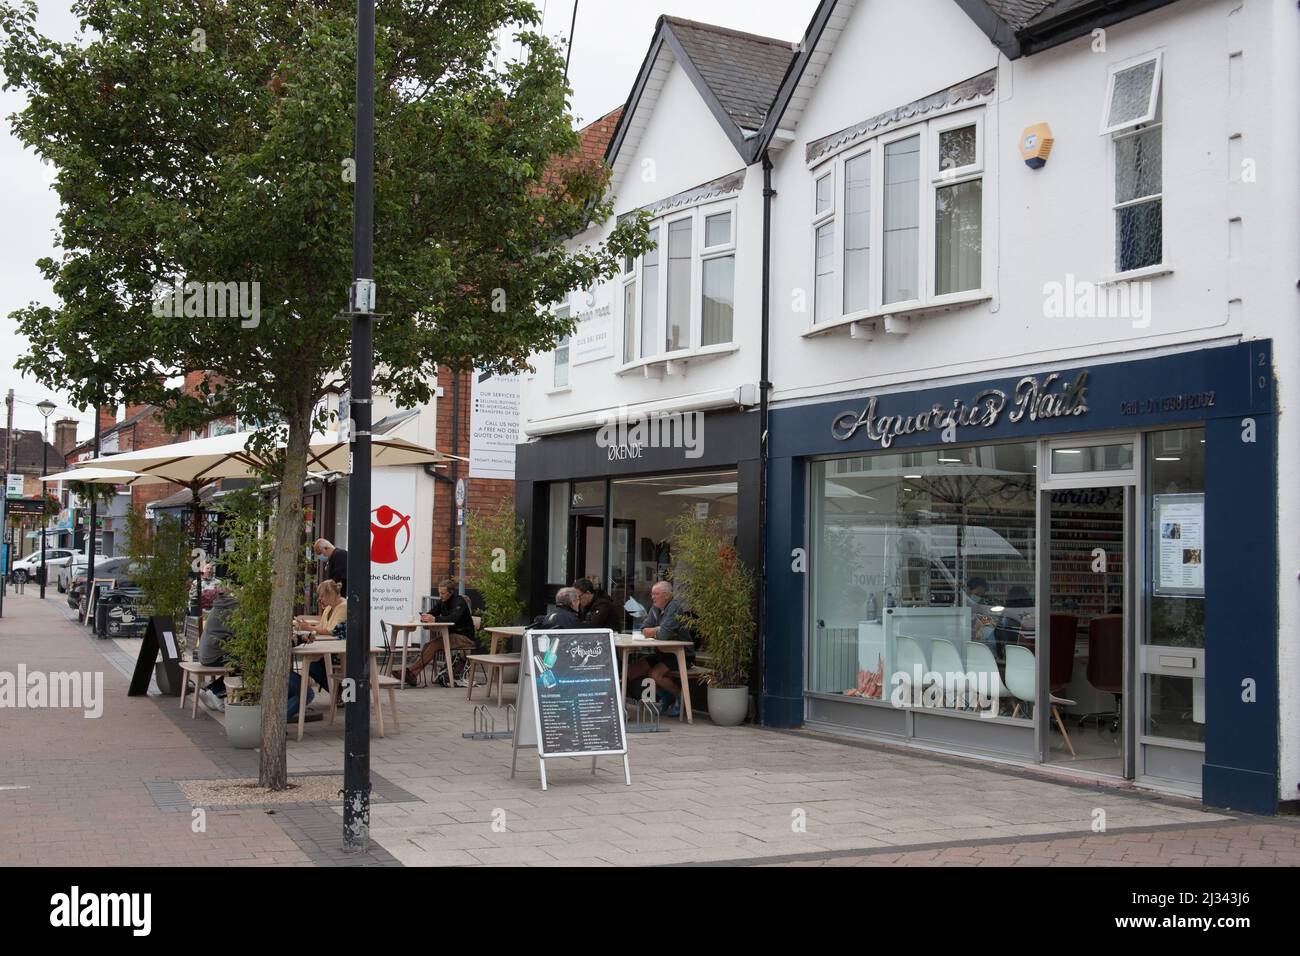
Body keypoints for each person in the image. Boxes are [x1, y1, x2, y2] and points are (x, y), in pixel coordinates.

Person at [391, 579, 476, 688]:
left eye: (443, 593)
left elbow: (453, 618)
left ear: (451, 592)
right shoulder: (443, 601)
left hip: (465, 637)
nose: (440, 596)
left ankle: (410, 671)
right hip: (451, 636)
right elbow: (433, 612)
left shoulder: (459, 602)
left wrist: (435, 619)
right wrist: (426, 616)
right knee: (428, 645)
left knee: (435, 645)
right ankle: (413, 674)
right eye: (439, 593)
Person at [286, 580, 347, 721]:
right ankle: (335, 692)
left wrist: (309, 628)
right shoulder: (329, 608)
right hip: (329, 647)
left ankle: (337, 692)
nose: (319, 599)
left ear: (330, 595)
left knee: (313, 665)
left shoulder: (343, 607)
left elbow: (331, 631)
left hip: (338, 652)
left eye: (322, 596)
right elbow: (322, 627)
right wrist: (310, 629)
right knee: (313, 665)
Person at [626, 581, 687, 717]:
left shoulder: (674, 608)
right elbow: (643, 629)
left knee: (655, 674)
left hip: (679, 655)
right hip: (661, 653)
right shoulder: (655, 608)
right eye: (652, 594)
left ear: (667, 595)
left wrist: (656, 630)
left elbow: (664, 635)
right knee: (632, 670)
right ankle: (667, 697)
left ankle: (680, 698)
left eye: (656, 594)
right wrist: (658, 629)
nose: (652, 597)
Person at [197, 588, 238, 712]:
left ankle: (211, 690)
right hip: (213, 656)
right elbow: (239, 634)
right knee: (245, 665)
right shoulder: (230, 610)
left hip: (206, 654)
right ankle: (216, 691)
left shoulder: (219, 608)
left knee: (242, 662)